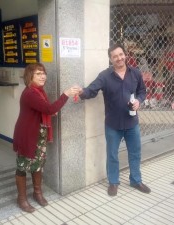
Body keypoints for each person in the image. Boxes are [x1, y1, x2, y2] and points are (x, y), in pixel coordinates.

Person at [78, 43, 151, 196]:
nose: (119, 58)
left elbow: (142, 91)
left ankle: (136, 180)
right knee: (112, 154)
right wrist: (81, 93)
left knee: (135, 153)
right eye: (115, 56)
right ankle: (113, 182)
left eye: (120, 54)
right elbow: (92, 90)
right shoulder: (105, 76)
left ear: (125, 55)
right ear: (111, 59)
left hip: (132, 122)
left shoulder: (136, 73)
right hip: (113, 124)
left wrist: (139, 100)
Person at [13, 63, 79, 213]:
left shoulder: (39, 92)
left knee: (38, 164)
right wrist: (65, 94)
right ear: (30, 76)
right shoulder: (30, 93)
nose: (43, 76)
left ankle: (37, 193)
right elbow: (49, 109)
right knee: (22, 166)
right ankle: (21, 198)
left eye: (43, 73)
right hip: (27, 135)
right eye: (38, 74)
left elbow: (44, 110)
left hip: (38, 135)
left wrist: (49, 112)